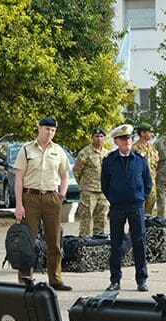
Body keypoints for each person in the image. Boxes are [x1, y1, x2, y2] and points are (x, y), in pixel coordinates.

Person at [13, 117, 72, 290]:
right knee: (27, 240)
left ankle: (55, 279)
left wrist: (61, 196)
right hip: (30, 197)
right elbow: (18, 179)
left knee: (54, 241)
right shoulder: (26, 149)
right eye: (47, 129)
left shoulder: (58, 151)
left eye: (53, 130)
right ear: (39, 129)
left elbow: (65, 175)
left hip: (51, 198)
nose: (50, 133)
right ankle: (25, 280)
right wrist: (18, 205)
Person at [101, 124, 152, 292]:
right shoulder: (109, 161)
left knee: (139, 242)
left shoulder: (140, 160)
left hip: (136, 206)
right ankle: (115, 280)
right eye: (123, 139)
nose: (127, 141)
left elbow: (148, 184)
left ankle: (141, 279)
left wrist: (140, 198)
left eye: (129, 138)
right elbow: (105, 185)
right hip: (117, 207)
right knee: (116, 243)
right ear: (116, 141)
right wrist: (115, 198)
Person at [73, 127, 111, 236]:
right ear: (92, 138)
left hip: (103, 191)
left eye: (101, 136)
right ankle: (84, 245)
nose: (99, 139)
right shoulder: (85, 152)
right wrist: (84, 185)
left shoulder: (107, 153)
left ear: (104, 138)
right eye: (96, 136)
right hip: (88, 191)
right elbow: (77, 171)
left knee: (102, 219)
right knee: (86, 220)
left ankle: (99, 244)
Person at [132, 123, 159, 214]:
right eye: (149, 132)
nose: (152, 135)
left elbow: (156, 164)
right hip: (139, 185)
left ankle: (147, 228)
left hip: (151, 185)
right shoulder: (134, 149)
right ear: (142, 133)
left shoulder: (152, 148)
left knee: (148, 215)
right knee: (138, 213)